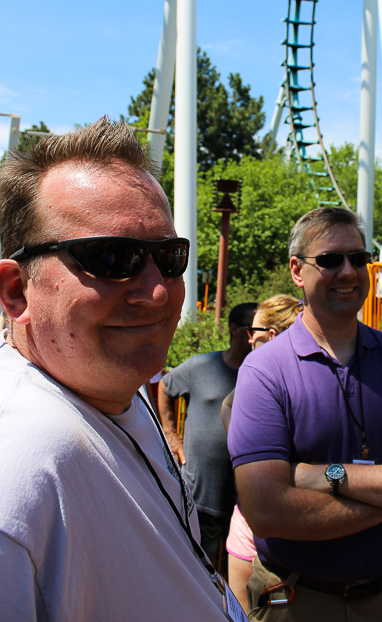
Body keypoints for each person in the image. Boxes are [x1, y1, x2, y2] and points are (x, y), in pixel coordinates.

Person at [0, 118, 235, 621]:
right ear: (17, 289)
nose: (156, 292)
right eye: (111, 257)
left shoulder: (117, 392)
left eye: (169, 258)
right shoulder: (18, 469)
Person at [228, 207, 382, 621]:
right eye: (329, 260)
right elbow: (266, 511)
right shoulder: (264, 371)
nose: (348, 271)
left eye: (358, 258)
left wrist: (328, 475)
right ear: (296, 271)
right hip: (297, 598)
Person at [158, 302, 257, 565]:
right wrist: (171, 435)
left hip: (245, 500)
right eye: (251, 329)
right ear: (233, 329)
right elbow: (165, 386)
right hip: (203, 495)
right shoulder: (201, 366)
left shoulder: (264, 374)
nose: (257, 336)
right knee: (198, 568)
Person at [221, 294, 302, 610]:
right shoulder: (253, 374)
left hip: (281, 529)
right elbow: (229, 405)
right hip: (253, 523)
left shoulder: (265, 375)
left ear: (273, 334)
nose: (248, 336)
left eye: (254, 330)